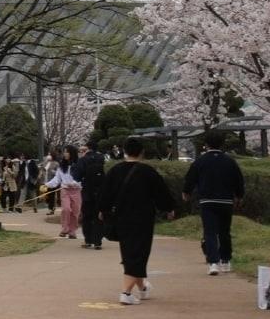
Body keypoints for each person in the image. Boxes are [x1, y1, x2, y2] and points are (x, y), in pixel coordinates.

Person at [99, 136, 176, 305]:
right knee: (138, 253)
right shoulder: (148, 172)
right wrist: (169, 208)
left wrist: (103, 211)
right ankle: (126, 293)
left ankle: (142, 288)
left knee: (130, 252)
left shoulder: (114, 171)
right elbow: (161, 194)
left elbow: (105, 194)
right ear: (142, 152)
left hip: (120, 218)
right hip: (142, 218)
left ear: (124, 151)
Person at [182, 131, 245, 275]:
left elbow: (190, 179)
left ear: (206, 145)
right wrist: (239, 196)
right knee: (225, 232)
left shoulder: (200, 161)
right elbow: (239, 181)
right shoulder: (230, 161)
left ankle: (213, 263)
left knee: (210, 232)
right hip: (226, 201)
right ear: (222, 144)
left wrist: (186, 192)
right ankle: (226, 260)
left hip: (207, 200)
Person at [45, 145, 82, 239]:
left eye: (67, 152)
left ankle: (72, 231)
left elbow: (83, 178)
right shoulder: (62, 165)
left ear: (72, 153)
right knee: (66, 209)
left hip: (76, 191)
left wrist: (75, 184)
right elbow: (57, 178)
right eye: (64, 152)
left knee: (75, 212)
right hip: (65, 190)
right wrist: (47, 185)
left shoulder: (79, 164)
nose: (65, 154)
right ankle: (64, 229)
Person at [75, 140, 107, 250]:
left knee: (87, 216)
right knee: (98, 215)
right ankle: (98, 241)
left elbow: (77, 176)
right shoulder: (102, 158)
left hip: (87, 191)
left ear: (87, 148)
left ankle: (88, 240)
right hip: (100, 191)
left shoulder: (83, 160)